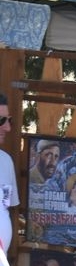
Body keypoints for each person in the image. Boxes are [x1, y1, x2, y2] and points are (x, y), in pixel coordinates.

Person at [0, 94, 17, 251]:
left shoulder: (6, 162)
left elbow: (5, 207)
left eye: (8, 120)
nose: (7, 127)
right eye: (1, 120)